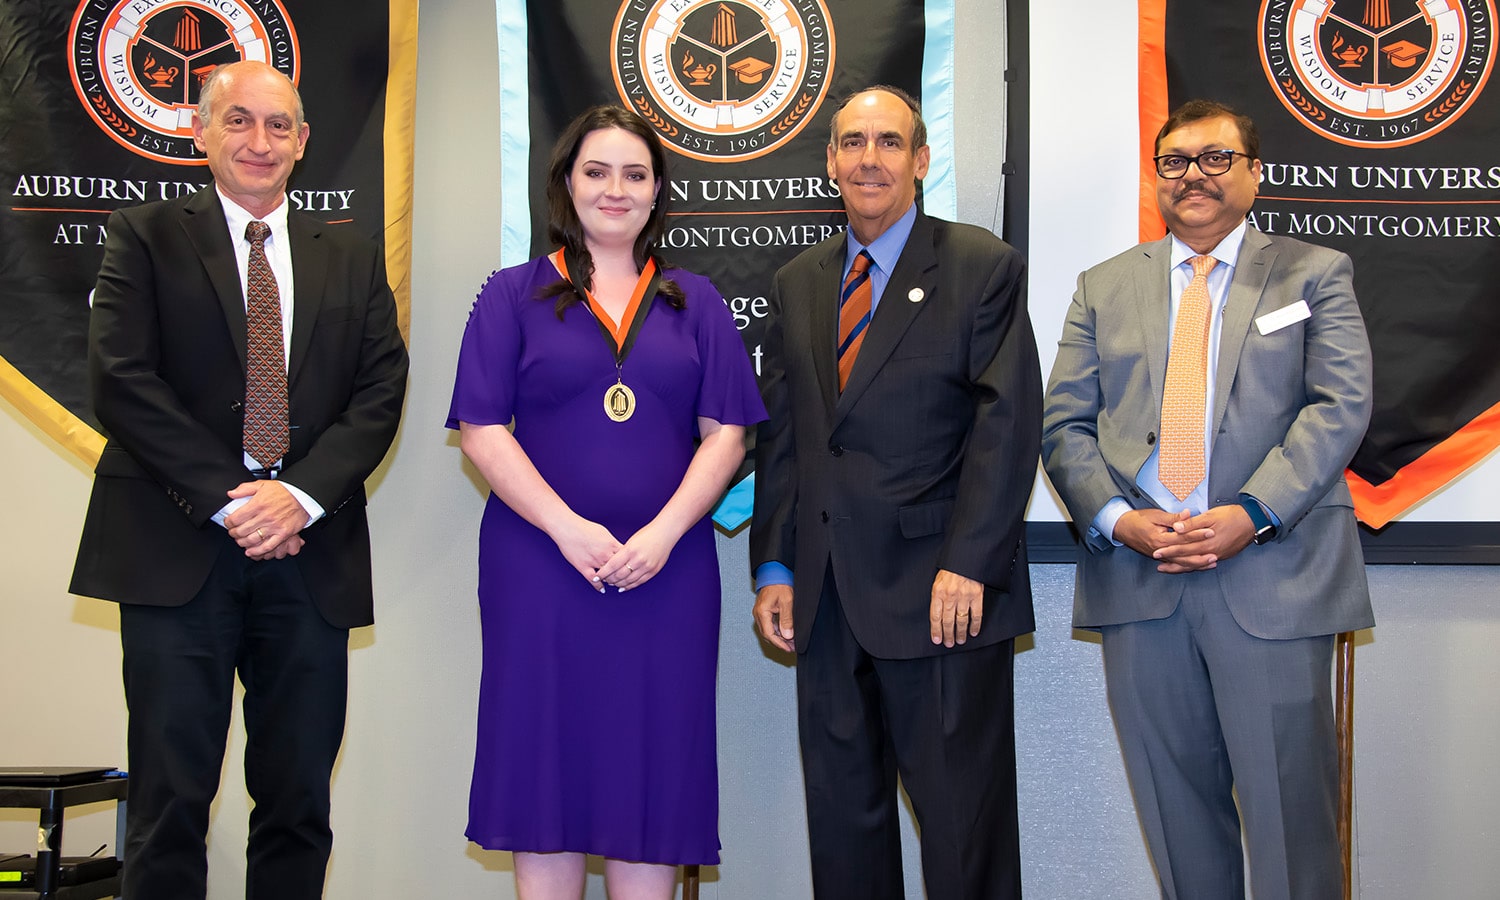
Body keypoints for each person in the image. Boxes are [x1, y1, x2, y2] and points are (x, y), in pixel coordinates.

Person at [67, 60, 408, 899]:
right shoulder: (144, 235)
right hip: (175, 550)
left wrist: (293, 498)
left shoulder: (353, 257)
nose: (260, 141)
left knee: (297, 801)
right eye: (240, 121)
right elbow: (122, 382)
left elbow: (380, 391)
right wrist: (235, 499)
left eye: (279, 125)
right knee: (169, 798)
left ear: (303, 142)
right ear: (200, 131)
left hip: (308, 555)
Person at [1041, 99, 1374, 899]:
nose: (1193, 175)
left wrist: (1252, 512)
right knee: (1179, 826)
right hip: (1141, 582)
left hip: (1273, 579)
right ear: (1157, 177)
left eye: (1216, 158)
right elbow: (1063, 425)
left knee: (1293, 830)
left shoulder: (1314, 273)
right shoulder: (1104, 285)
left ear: (1255, 173)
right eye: (1175, 161)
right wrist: (1120, 521)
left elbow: (1341, 405)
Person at [446, 105, 764, 900]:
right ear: (565, 184)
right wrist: (567, 530)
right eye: (596, 171)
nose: (614, 189)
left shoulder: (698, 301)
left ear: (657, 193)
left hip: (669, 571)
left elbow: (726, 436)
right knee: (544, 770)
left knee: (651, 769)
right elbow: (483, 431)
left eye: (634, 174)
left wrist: (660, 534)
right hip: (540, 569)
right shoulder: (511, 295)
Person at [751, 86, 1041, 899]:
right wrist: (775, 568)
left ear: (920, 160)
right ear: (830, 161)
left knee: (963, 837)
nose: (867, 159)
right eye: (851, 143)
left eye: (888, 142)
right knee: (844, 832)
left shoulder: (980, 265)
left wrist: (971, 566)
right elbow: (787, 437)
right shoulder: (800, 279)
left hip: (943, 597)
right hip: (826, 599)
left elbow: (1007, 424)